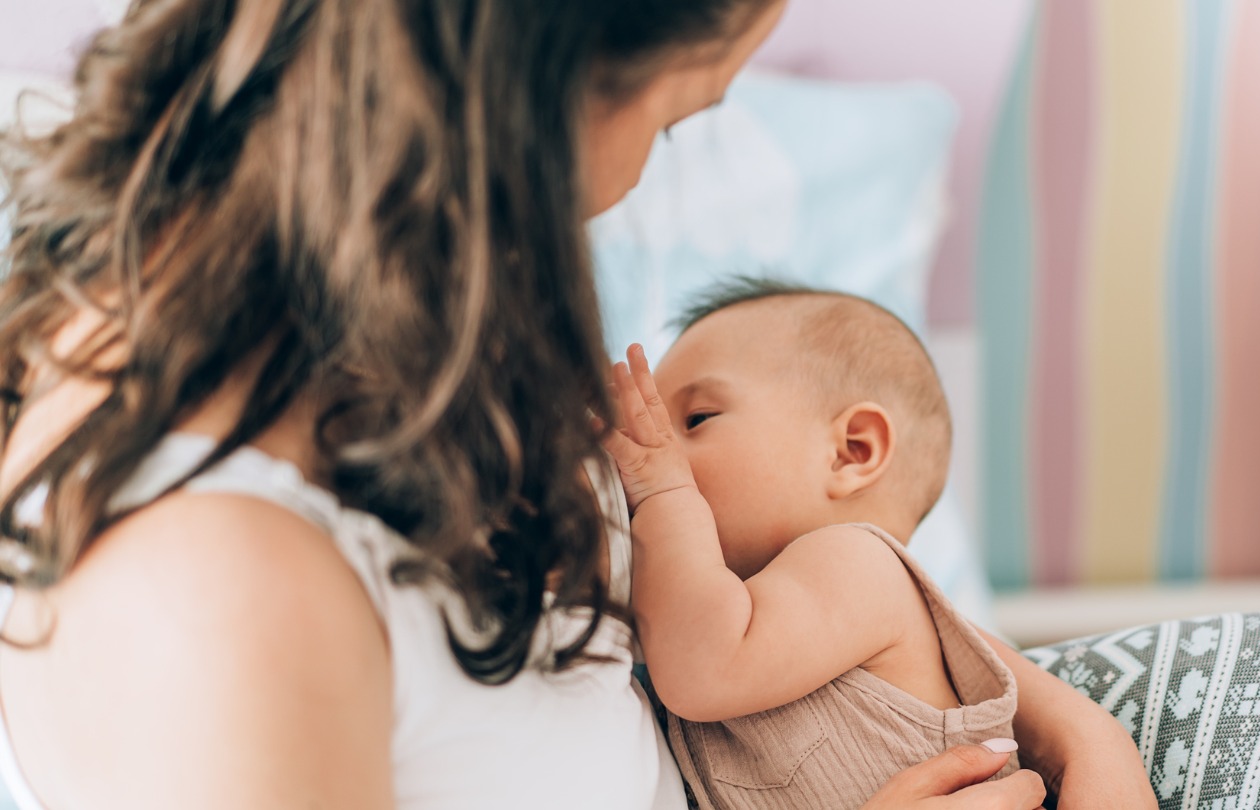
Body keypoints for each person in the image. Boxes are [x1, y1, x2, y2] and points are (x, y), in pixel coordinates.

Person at [0, 1, 1144, 808]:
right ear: (517, 96)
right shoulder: (214, 593)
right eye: (674, 116)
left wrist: (1065, 723)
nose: (636, 178)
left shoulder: (415, 321)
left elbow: (808, 595)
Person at [601, 279, 1069, 808]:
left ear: (852, 452)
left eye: (696, 419)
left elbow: (702, 669)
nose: (659, 452)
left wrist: (666, 495)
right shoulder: (718, 605)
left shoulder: (860, 564)